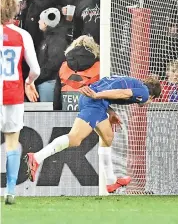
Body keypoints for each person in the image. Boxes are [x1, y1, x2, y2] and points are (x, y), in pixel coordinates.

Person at [25, 76, 161, 193]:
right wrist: (97, 96)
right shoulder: (143, 93)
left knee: (108, 137)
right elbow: (121, 93)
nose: (148, 102)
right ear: (152, 96)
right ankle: (36, 157)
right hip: (94, 101)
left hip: (96, 102)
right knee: (75, 139)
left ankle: (111, 181)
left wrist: (111, 112)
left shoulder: (131, 81)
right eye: (152, 100)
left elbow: (105, 87)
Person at [1, 0, 41, 204]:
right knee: (12, 142)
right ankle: (10, 191)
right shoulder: (22, 35)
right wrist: (28, 82)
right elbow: (35, 69)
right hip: (13, 94)